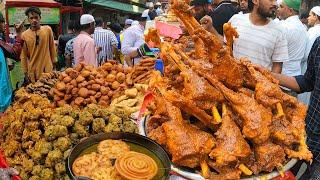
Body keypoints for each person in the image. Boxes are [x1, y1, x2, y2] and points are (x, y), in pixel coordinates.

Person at [272, 37, 320, 179]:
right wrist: (269, 74)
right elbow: (307, 82)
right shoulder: (319, 44)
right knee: (285, 174)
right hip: (305, 134)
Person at [201, 0, 288, 73]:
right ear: (255, 1)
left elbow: (277, 66)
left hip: (259, 88)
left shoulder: (279, 31)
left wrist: (269, 86)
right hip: (235, 82)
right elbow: (225, 46)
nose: (275, 4)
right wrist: (210, 28)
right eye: (271, 0)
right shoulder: (236, 20)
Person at [277, 0, 307, 96]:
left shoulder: (284, 27)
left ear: (290, 11)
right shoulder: (303, 27)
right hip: (295, 81)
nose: (278, 9)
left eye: (281, 6)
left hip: (282, 81)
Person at [21, 7, 57, 83]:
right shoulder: (24, 35)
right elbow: (23, 55)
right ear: (28, 20)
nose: (34, 20)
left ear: (40, 17)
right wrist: (25, 72)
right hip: (33, 71)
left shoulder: (47, 30)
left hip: (47, 69)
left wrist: (54, 64)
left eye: (36, 17)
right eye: (31, 18)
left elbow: (52, 47)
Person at [0, 12, 24, 112]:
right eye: (2, 22)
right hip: (2, 98)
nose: (4, 25)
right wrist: (18, 34)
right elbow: (15, 53)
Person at [298, 6, 320, 104]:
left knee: (304, 97)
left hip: (307, 67)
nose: (308, 18)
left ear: (316, 17)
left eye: (310, 15)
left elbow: (306, 54)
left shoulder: (313, 31)